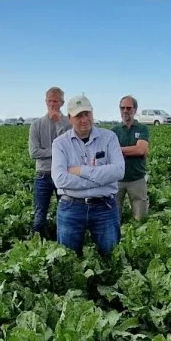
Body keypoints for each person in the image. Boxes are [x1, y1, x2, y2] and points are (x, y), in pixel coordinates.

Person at [51, 95, 126, 256]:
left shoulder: (109, 138)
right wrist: (101, 180)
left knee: (111, 257)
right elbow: (60, 179)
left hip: (104, 207)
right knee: (68, 260)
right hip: (71, 207)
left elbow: (119, 170)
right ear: (70, 118)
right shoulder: (60, 143)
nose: (84, 119)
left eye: (87, 114)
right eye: (79, 115)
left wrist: (82, 171)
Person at [28, 86, 70, 237]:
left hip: (64, 174)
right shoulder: (36, 125)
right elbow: (34, 152)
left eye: (56, 101)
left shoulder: (69, 123)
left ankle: (63, 244)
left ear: (62, 103)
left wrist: (58, 123)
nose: (52, 104)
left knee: (66, 214)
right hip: (43, 175)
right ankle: (38, 246)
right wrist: (58, 152)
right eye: (49, 101)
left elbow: (70, 148)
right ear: (45, 102)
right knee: (40, 215)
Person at [112, 95, 150, 221]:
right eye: (122, 108)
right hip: (117, 179)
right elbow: (110, 153)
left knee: (140, 217)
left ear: (135, 110)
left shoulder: (142, 128)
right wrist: (133, 150)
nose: (125, 111)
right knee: (113, 216)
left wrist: (119, 150)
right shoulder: (114, 131)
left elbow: (141, 149)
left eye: (128, 108)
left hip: (137, 179)